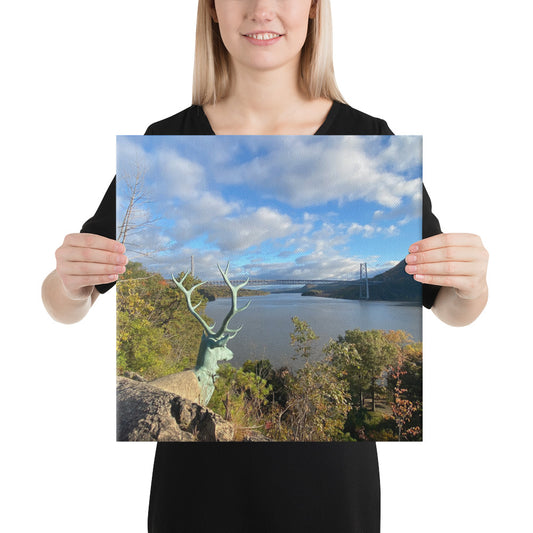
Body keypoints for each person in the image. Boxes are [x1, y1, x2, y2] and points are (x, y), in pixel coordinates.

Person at [41, 1, 489, 531]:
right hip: (196, 497)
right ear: (211, 11)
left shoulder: (374, 137)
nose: (262, 9)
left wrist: (471, 284)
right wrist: (70, 284)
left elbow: (453, 309)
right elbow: (63, 304)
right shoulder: (162, 143)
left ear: (314, 10)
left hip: (331, 498)